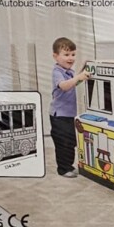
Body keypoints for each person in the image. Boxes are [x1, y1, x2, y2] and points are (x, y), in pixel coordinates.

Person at [49, 37, 89, 177]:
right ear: (55, 56)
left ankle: (69, 166)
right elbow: (65, 86)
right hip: (59, 115)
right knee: (63, 142)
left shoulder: (70, 72)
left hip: (69, 114)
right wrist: (78, 77)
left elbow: (73, 84)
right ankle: (63, 169)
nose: (70, 58)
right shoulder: (57, 72)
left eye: (73, 54)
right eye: (66, 54)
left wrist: (82, 73)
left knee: (71, 141)